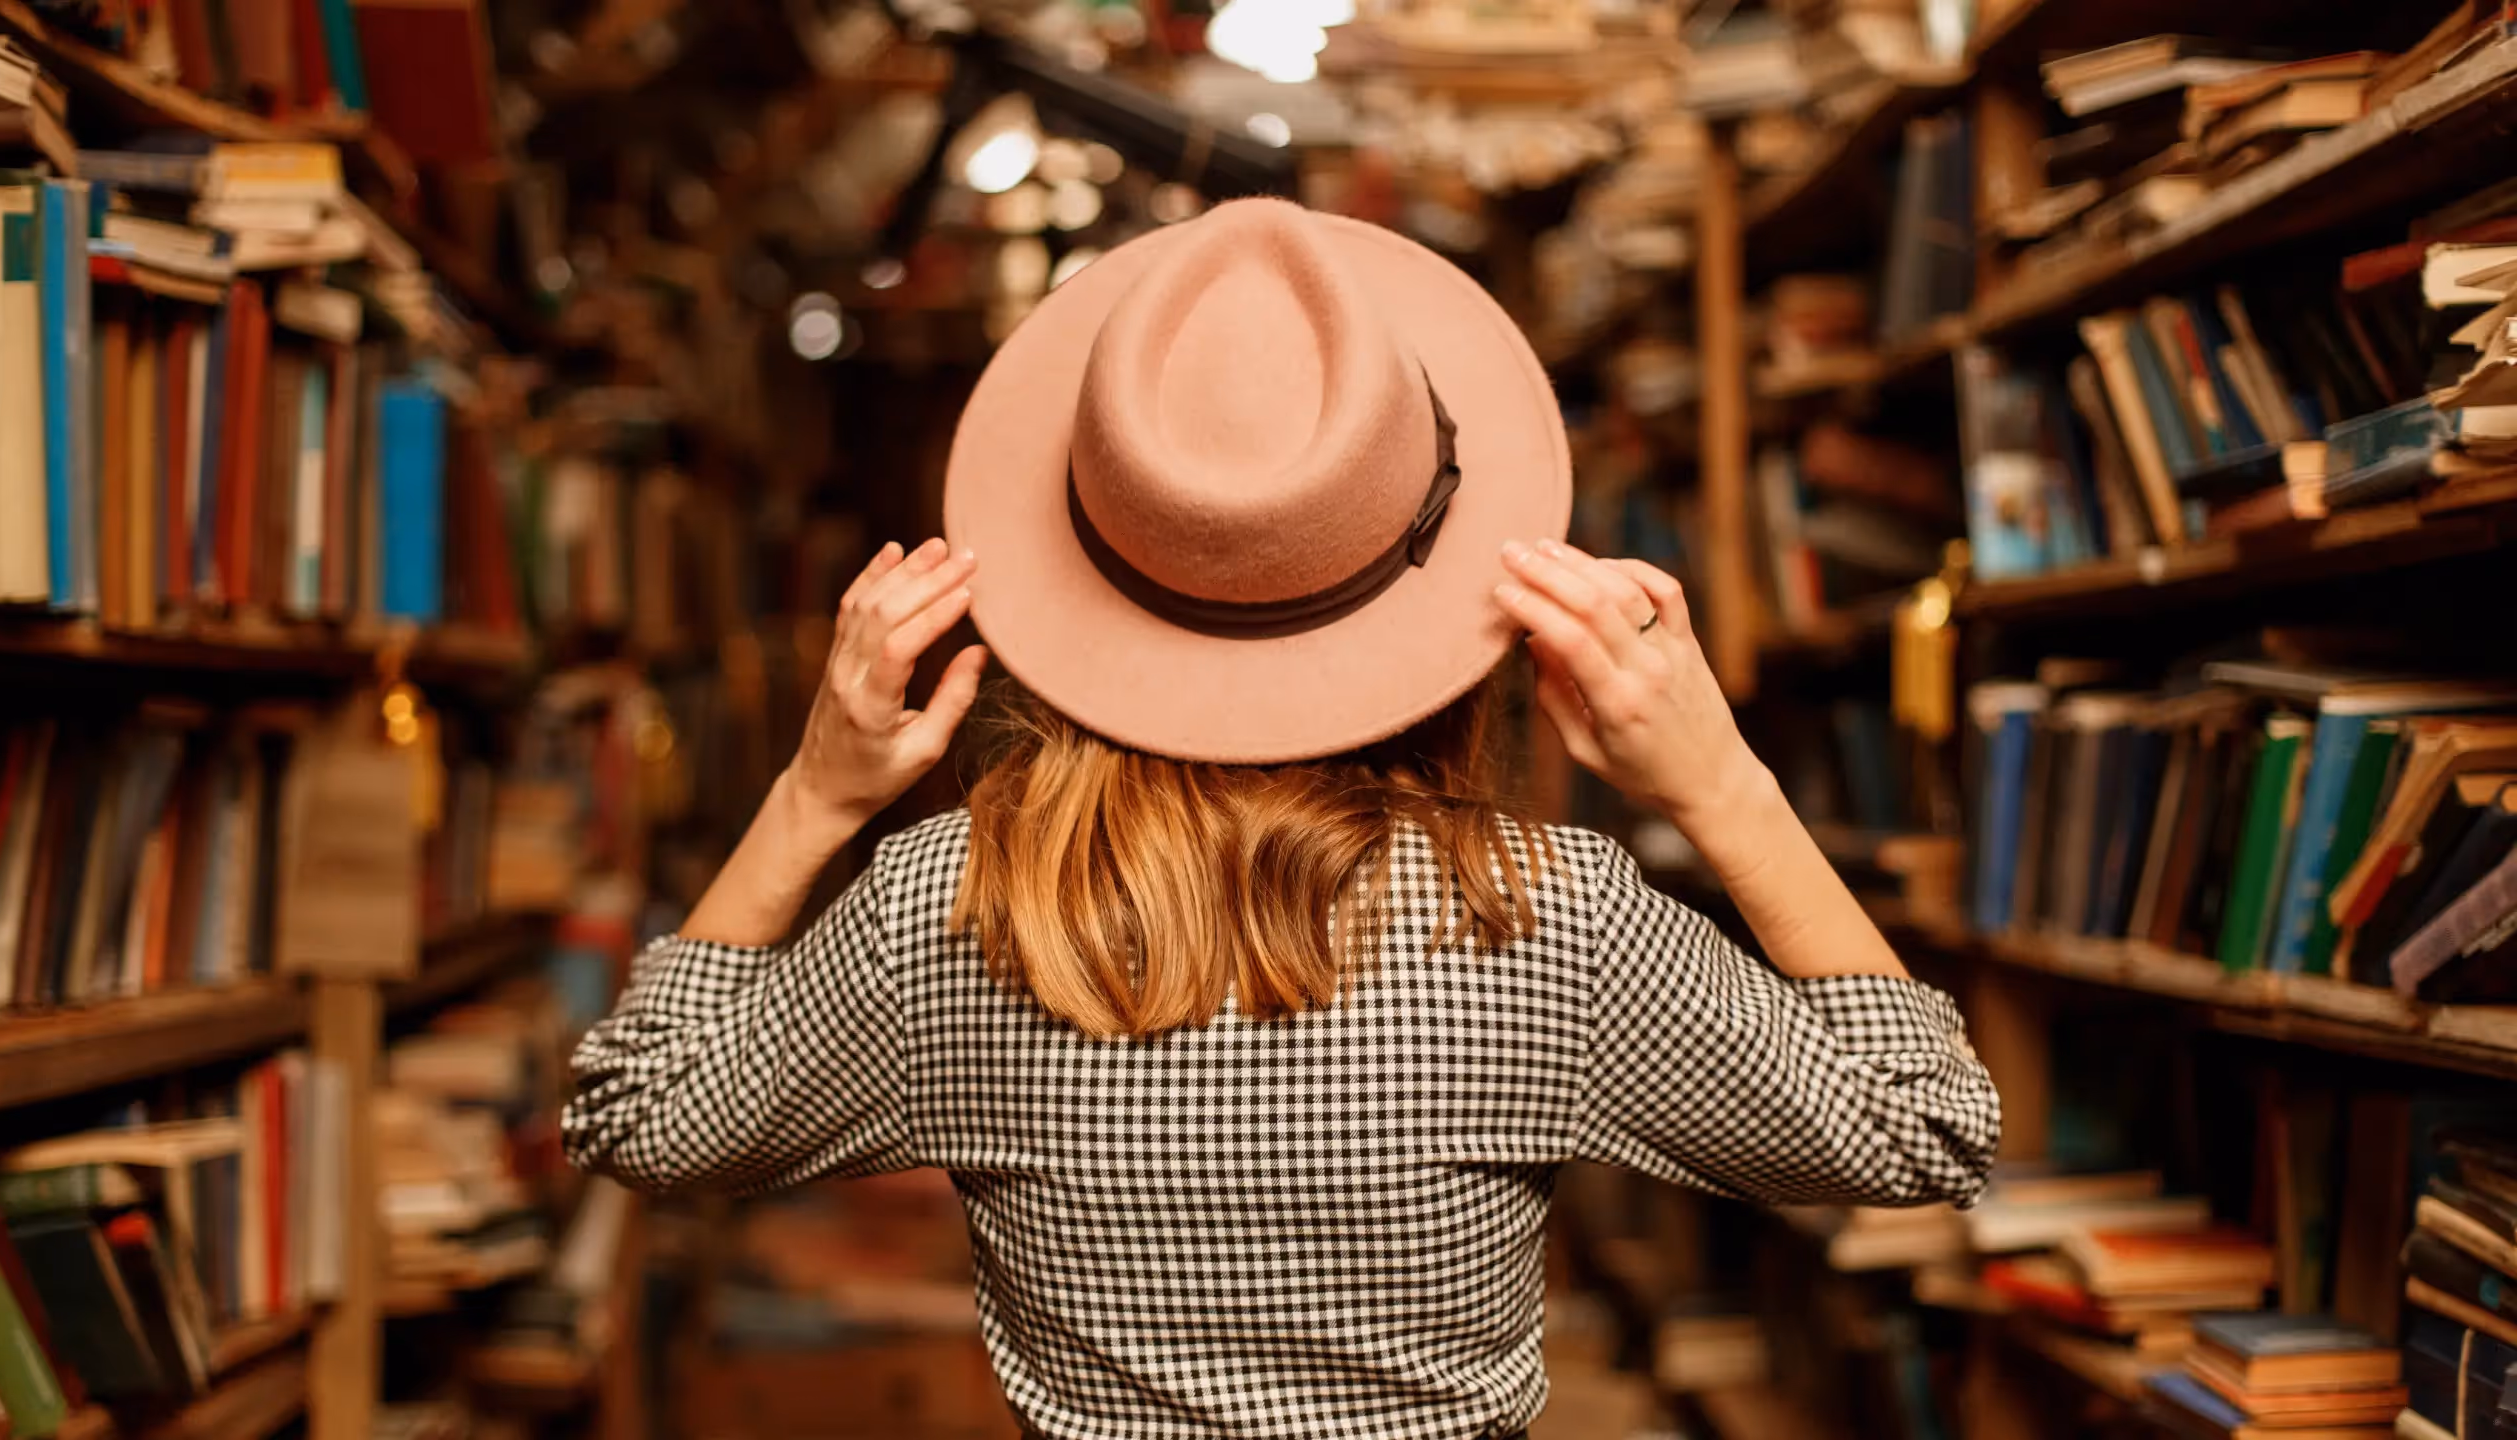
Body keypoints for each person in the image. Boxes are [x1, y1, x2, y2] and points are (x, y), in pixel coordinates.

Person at [562, 198, 1999, 1440]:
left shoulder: (953, 908)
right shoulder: (1544, 917)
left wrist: (817, 793)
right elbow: (1928, 1130)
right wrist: (1721, 783)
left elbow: (639, 1114)